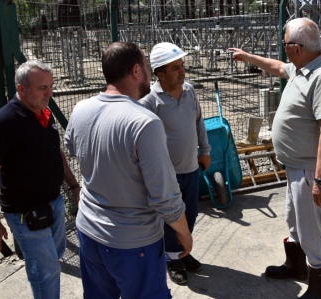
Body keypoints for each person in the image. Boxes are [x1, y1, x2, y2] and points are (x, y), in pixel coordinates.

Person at [64, 42, 192, 299]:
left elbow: (72, 147)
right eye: (146, 66)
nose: (148, 72)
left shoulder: (81, 109)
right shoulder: (144, 123)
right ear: (136, 71)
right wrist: (184, 232)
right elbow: (165, 196)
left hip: (89, 231)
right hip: (133, 242)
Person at [229, 17, 321, 299]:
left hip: (309, 169)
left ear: (296, 48)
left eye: (284, 45)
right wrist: (248, 57)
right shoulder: (303, 67)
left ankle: (318, 288)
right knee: (295, 219)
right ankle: (296, 266)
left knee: (310, 229)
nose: (282, 51)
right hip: (295, 164)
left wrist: (319, 180)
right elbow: (278, 67)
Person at [0, 60, 81, 299]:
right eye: (42, 87)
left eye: (51, 86)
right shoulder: (2, 124)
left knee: (53, 257)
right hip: (25, 213)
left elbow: (57, 153)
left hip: (54, 204)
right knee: (46, 270)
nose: (50, 93)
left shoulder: (45, 114)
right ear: (21, 89)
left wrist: (74, 186)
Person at [140, 42, 211, 285]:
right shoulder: (150, 101)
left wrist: (206, 150)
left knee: (190, 214)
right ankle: (172, 259)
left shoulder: (190, 91)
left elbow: (199, 122)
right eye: (175, 68)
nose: (182, 72)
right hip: (167, 175)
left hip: (191, 168)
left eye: (182, 66)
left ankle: (183, 252)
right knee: (172, 219)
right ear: (160, 74)